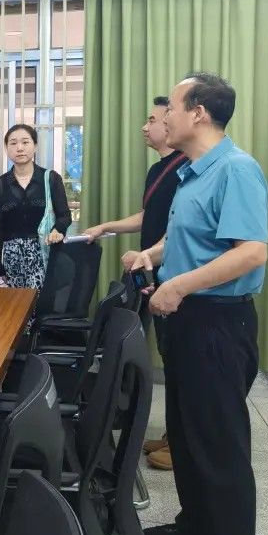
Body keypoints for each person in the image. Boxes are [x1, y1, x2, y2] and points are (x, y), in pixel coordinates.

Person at [127, 74, 268, 535]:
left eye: (173, 106)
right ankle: (198, 525)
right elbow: (184, 237)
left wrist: (180, 284)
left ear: (199, 113)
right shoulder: (191, 171)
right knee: (186, 433)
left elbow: (250, 251)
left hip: (216, 323)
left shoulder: (236, 169)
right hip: (186, 320)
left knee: (219, 443)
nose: (164, 116)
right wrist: (152, 256)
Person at [82, 96, 187, 470]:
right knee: (169, 354)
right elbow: (148, 216)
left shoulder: (186, 168)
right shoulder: (159, 170)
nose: (145, 127)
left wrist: (148, 255)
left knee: (181, 359)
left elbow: (180, 228)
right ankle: (174, 433)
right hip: (155, 272)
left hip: (176, 274)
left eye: (153, 119)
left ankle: (183, 441)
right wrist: (107, 226)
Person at [0, 124, 71, 291]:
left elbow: (65, 215)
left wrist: (57, 229)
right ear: (6, 149)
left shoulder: (51, 179)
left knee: (42, 305)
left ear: (35, 146)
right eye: (13, 143)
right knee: (13, 306)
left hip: (44, 255)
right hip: (12, 259)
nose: (19, 148)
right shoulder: (0, 184)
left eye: (25, 142)